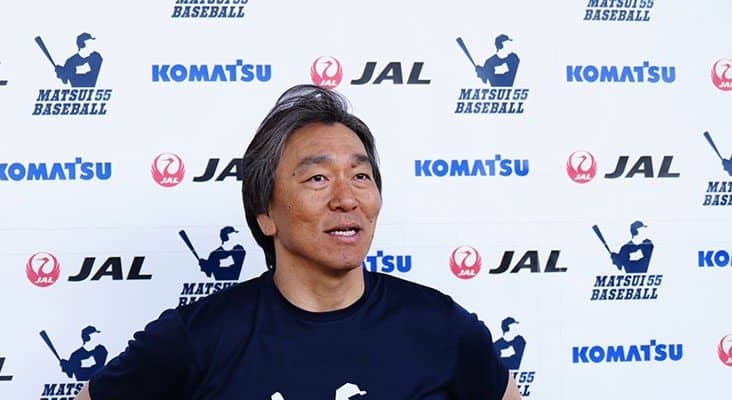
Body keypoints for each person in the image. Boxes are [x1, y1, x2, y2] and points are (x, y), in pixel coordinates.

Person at [75, 85, 521, 399]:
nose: (346, 198)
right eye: (318, 178)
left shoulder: (441, 326)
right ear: (265, 213)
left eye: (361, 176)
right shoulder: (198, 338)